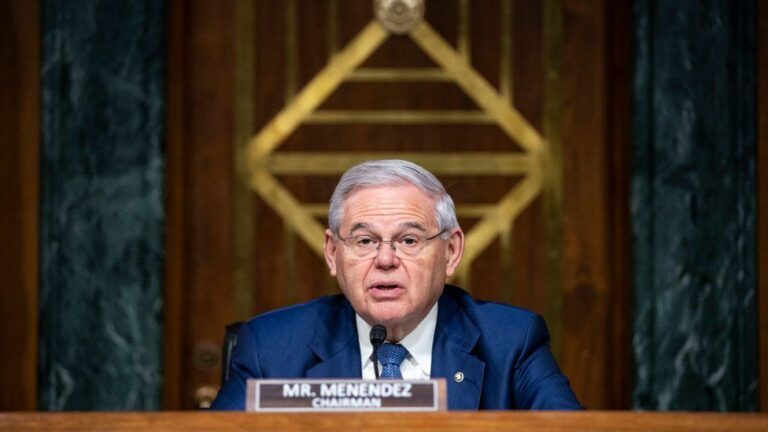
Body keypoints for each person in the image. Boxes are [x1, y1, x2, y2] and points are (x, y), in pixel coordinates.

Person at [211, 160, 582, 410]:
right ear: (333, 253)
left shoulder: (511, 342)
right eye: (365, 240)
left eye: (408, 240)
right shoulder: (271, 348)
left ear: (451, 251)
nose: (385, 260)